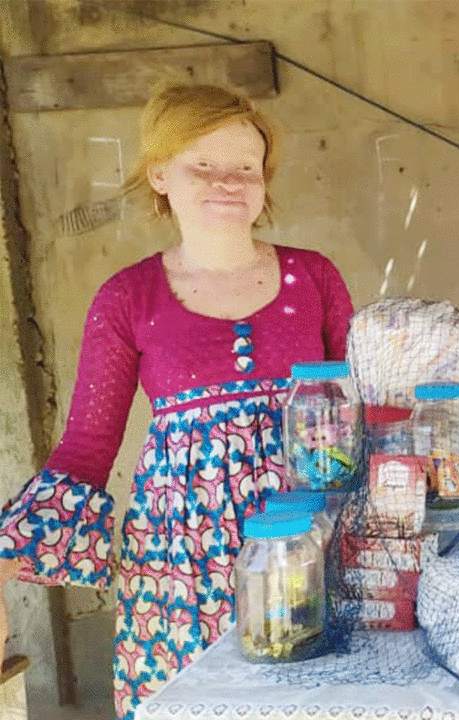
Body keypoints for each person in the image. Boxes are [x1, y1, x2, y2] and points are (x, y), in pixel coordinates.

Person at [0, 83, 353, 719]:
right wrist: (1, 563)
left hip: (311, 542)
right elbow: (85, 450)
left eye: (247, 166)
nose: (229, 182)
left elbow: (359, 407)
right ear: (161, 173)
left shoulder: (315, 277)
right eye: (203, 165)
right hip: (179, 563)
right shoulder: (127, 298)